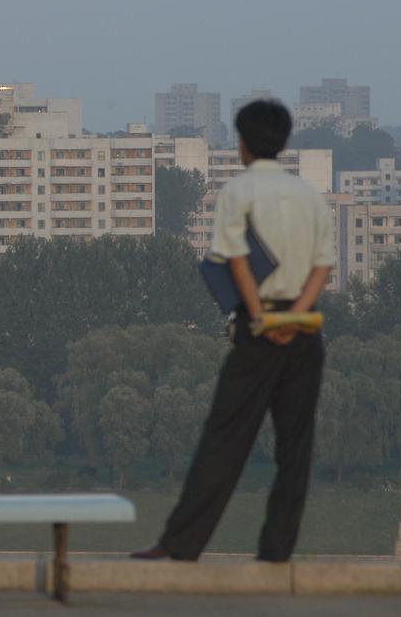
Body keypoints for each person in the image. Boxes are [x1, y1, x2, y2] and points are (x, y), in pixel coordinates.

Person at [132, 100, 334, 563]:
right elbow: (322, 268)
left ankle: (181, 544)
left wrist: (264, 318)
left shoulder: (238, 192)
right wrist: (294, 316)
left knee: (225, 438)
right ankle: (277, 552)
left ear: (243, 144)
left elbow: (236, 261)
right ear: (283, 143)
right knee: (295, 446)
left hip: (256, 330)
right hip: (304, 331)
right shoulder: (309, 195)